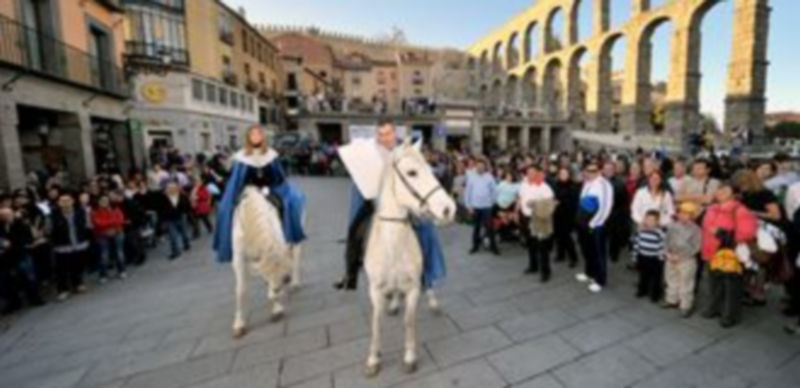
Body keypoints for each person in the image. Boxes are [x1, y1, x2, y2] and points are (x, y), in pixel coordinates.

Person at [333, 120, 446, 292]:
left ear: (395, 133)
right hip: (373, 199)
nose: (384, 138)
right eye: (381, 134)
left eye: (388, 133)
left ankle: (427, 274)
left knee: (426, 227)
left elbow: (419, 171)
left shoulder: (405, 151)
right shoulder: (368, 152)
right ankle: (350, 273)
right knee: (355, 229)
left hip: (402, 200)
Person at [214, 125, 307, 263]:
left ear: (262, 137)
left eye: (258, 134)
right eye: (252, 134)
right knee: (225, 208)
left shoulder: (271, 154)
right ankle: (230, 241)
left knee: (286, 204)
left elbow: (279, 176)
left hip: (269, 189)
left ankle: (286, 232)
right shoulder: (241, 156)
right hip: (248, 190)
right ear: (248, 137)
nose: (256, 137)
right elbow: (237, 179)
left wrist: (268, 186)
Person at [701, 183, 757, 328]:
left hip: (729, 255)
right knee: (714, 283)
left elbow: (747, 234)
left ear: (734, 194)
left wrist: (721, 233)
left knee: (731, 287)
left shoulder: (740, 210)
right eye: (719, 189)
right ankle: (713, 308)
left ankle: (729, 316)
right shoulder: (713, 208)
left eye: (725, 190)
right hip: (711, 253)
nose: (720, 192)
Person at [576, 160, 614, 293]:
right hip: (585, 222)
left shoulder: (604, 184)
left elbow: (605, 207)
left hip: (597, 225)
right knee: (587, 249)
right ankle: (589, 273)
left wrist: (593, 224)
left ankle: (600, 280)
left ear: (599, 171)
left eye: (593, 171)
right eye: (588, 170)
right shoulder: (587, 182)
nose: (590, 173)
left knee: (599, 252)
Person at [50, 192, 92, 301]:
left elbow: (86, 226)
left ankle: (78, 283)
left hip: (79, 243)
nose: (66, 203)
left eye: (68, 200)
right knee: (62, 269)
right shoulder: (54, 215)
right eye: (62, 201)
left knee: (77, 265)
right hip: (63, 246)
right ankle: (63, 290)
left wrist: (86, 238)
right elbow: (51, 231)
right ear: (59, 203)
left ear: (73, 201)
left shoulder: (80, 212)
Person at [664, 202, 702, 317]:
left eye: (687, 214)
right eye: (681, 213)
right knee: (671, 278)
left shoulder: (696, 230)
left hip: (686, 259)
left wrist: (682, 257)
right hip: (671, 256)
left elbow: (697, 246)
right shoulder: (672, 226)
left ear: (692, 216)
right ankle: (672, 299)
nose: (683, 215)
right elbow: (666, 240)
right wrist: (668, 253)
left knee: (686, 282)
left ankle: (685, 305)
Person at [517, 164, 555, 282]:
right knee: (530, 244)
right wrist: (516, 212)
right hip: (525, 217)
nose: (530, 174)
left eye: (533, 172)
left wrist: (536, 204)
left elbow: (551, 204)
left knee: (542, 247)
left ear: (538, 173)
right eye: (528, 172)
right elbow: (519, 198)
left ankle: (546, 271)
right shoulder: (523, 185)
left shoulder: (544, 187)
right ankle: (533, 266)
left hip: (538, 219)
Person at [465, 158, 499, 255]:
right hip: (475, 206)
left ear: (485, 167)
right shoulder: (471, 177)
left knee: (490, 227)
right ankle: (475, 246)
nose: (480, 167)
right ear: (476, 167)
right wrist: (468, 205)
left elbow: (494, 190)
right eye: (478, 166)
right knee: (476, 227)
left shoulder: (489, 177)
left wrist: (492, 202)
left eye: (482, 166)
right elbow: (468, 192)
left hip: (487, 206)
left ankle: (493, 247)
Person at [91, 194, 127, 282]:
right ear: (98, 202)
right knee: (104, 255)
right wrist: (111, 224)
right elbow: (98, 223)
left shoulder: (115, 209)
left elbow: (121, 220)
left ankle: (122, 271)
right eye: (102, 201)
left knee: (119, 253)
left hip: (117, 232)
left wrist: (111, 226)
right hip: (102, 234)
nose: (104, 202)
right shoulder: (95, 211)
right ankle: (103, 275)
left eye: (106, 200)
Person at [632, 210, 665, 302]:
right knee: (643, 275)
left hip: (655, 258)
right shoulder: (641, 231)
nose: (650, 222)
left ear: (657, 222)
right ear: (644, 220)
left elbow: (662, 245)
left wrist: (661, 257)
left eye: (652, 220)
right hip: (642, 256)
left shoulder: (659, 233)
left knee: (656, 278)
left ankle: (655, 294)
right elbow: (637, 243)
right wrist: (635, 256)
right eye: (648, 219)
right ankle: (642, 290)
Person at [552, 167, 580, 267]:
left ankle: (573, 258)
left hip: (568, 215)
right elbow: (553, 197)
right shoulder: (556, 185)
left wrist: (560, 202)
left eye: (565, 174)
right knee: (559, 236)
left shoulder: (573, 186)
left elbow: (574, 202)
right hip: (557, 214)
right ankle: (561, 255)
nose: (563, 175)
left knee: (567, 237)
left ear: (569, 175)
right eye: (561, 174)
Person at [160, 182, 192, 260]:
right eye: (169, 188)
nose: (171, 190)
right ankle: (175, 251)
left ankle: (186, 243)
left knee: (184, 233)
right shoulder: (163, 198)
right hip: (169, 219)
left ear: (176, 189)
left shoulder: (182, 196)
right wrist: (163, 219)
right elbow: (160, 209)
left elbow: (187, 205)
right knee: (172, 236)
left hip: (180, 217)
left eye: (173, 188)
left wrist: (186, 212)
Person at [494, 170, 520, 241]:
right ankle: (502, 235)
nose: (509, 177)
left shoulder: (517, 185)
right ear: (505, 177)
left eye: (510, 176)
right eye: (507, 176)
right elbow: (495, 194)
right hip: (499, 206)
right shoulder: (501, 184)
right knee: (503, 220)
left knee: (510, 220)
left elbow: (518, 197)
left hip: (510, 207)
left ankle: (508, 235)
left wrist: (516, 210)